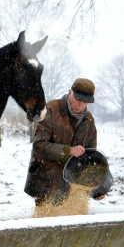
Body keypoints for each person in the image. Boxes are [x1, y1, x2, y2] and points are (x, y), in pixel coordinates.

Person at [24, 78, 107, 206]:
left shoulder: (89, 120)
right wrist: (68, 151)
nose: (81, 105)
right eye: (78, 99)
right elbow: (38, 145)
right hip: (46, 180)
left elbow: (91, 159)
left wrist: (96, 188)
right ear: (69, 93)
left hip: (72, 186)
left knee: (73, 222)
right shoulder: (50, 110)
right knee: (47, 222)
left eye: (86, 102)